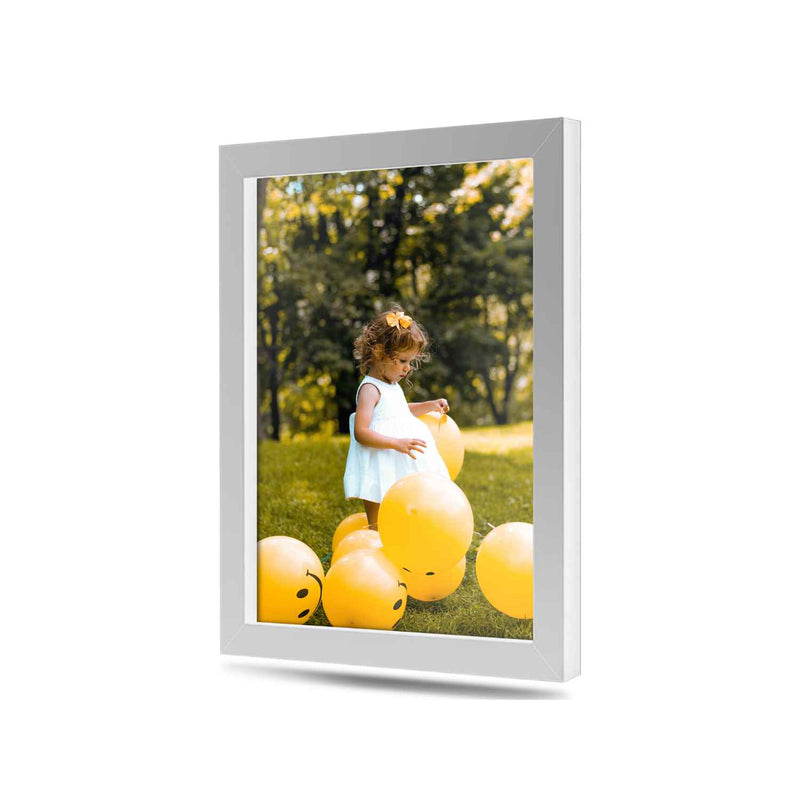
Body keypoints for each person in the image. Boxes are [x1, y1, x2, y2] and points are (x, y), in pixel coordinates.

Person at [343, 307, 451, 529]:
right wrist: (396, 443)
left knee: (402, 509)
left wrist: (430, 405)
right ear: (380, 353)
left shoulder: (391, 385)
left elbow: (400, 411)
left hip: (397, 457)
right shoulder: (370, 389)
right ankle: (374, 538)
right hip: (379, 458)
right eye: (403, 361)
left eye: (410, 362)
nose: (407, 368)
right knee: (378, 518)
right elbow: (361, 432)